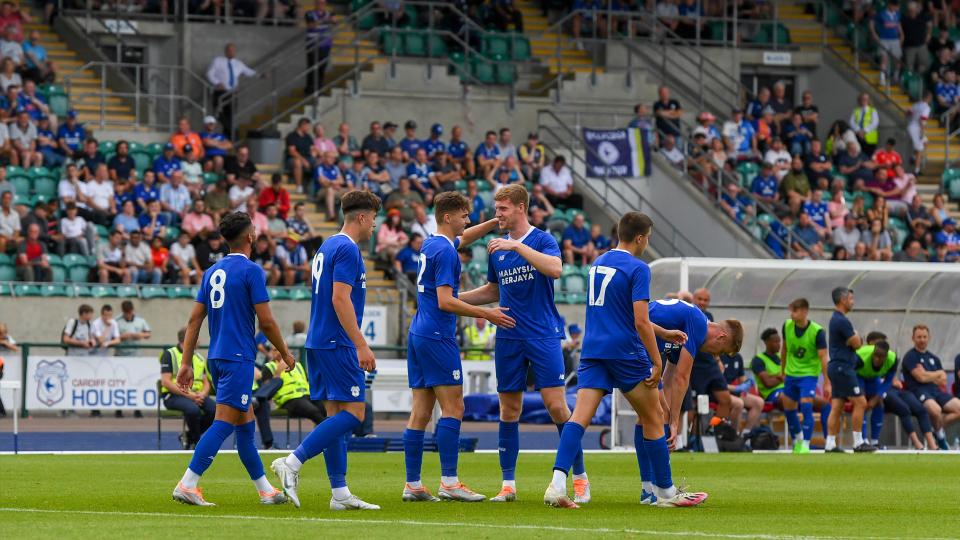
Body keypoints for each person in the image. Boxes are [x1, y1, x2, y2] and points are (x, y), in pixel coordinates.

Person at [546, 214, 706, 509]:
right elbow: (640, 321)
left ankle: (556, 484)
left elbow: (619, 312)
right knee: (653, 417)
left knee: (578, 419)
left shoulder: (598, 262)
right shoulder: (638, 268)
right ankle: (666, 493)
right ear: (641, 238)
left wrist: (664, 331)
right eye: (648, 238)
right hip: (625, 352)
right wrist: (657, 363)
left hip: (594, 350)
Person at [456, 185, 587, 503]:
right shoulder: (496, 248)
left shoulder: (541, 239)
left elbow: (555, 269)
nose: (496, 214)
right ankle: (508, 485)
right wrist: (452, 299)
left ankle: (580, 477)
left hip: (542, 334)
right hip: (508, 336)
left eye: (502, 209)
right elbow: (492, 290)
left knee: (558, 407)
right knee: (509, 409)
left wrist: (517, 248)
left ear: (520, 208)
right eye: (496, 208)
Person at [171, 211, 293, 506]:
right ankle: (188, 483)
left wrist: (186, 362)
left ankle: (265, 490)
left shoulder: (211, 272)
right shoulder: (252, 271)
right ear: (250, 236)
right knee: (224, 423)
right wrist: (286, 352)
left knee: (245, 426)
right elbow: (266, 322)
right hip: (238, 357)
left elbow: (193, 321)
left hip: (217, 356)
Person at [270, 191, 382, 511]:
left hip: (318, 340)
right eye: (373, 218)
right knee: (353, 414)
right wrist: (360, 342)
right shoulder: (347, 248)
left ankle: (340, 494)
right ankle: (292, 461)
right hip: (338, 342)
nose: (375, 224)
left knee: (335, 414)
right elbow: (339, 298)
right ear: (361, 217)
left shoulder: (327, 244)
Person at [400, 191, 510, 503]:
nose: (468, 220)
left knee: (421, 411)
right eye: (464, 216)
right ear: (449, 217)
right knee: (454, 407)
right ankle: (449, 481)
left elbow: (464, 238)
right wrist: (486, 313)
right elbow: (446, 301)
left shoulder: (433, 243)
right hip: (437, 334)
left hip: (419, 332)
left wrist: (492, 223)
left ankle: (413, 484)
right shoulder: (447, 253)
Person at [824, 287, 875, 452]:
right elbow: (858, 343)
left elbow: (854, 341)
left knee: (837, 406)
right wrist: (856, 336)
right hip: (843, 367)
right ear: (843, 300)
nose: (853, 302)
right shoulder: (841, 320)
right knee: (861, 402)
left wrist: (855, 337)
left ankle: (830, 444)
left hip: (835, 367)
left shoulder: (836, 319)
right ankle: (858, 443)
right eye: (851, 299)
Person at [902, 325, 960, 449]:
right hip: (919, 392)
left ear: (929, 338)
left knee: (958, 408)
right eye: (919, 337)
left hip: (936, 391)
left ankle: (934, 430)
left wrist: (929, 375)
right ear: (913, 338)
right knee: (935, 410)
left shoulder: (934, 358)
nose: (922, 340)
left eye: (924, 337)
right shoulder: (910, 356)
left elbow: (943, 381)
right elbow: (920, 378)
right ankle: (940, 437)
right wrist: (936, 375)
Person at [161, 327, 216, 449]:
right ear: (188, 339)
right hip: (173, 396)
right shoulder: (170, 354)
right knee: (193, 410)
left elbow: (206, 381)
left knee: (215, 410)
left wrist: (203, 394)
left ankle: (189, 437)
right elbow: (166, 382)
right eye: (197, 337)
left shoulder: (199, 358)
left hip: (196, 395)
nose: (200, 341)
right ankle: (196, 443)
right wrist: (190, 396)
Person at [206, 43, 257, 136]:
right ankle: (234, 134)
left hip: (232, 93)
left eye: (233, 50)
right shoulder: (218, 61)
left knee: (230, 117)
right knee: (219, 114)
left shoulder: (238, 63)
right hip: (220, 92)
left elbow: (248, 71)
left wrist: (260, 75)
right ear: (225, 51)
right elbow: (210, 73)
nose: (231, 52)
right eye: (229, 50)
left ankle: (229, 137)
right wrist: (217, 82)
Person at [304, 0, 334, 95]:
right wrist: (323, 21)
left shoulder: (329, 14)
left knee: (322, 66)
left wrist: (332, 20)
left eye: (323, 3)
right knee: (312, 66)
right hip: (313, 44)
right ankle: (310, 88)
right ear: (315, 4)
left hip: (325, 43)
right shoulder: (309, 13)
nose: (321, 5)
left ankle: (320, 87)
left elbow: (334, 22)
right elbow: (310, 25)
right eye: (319, 3)